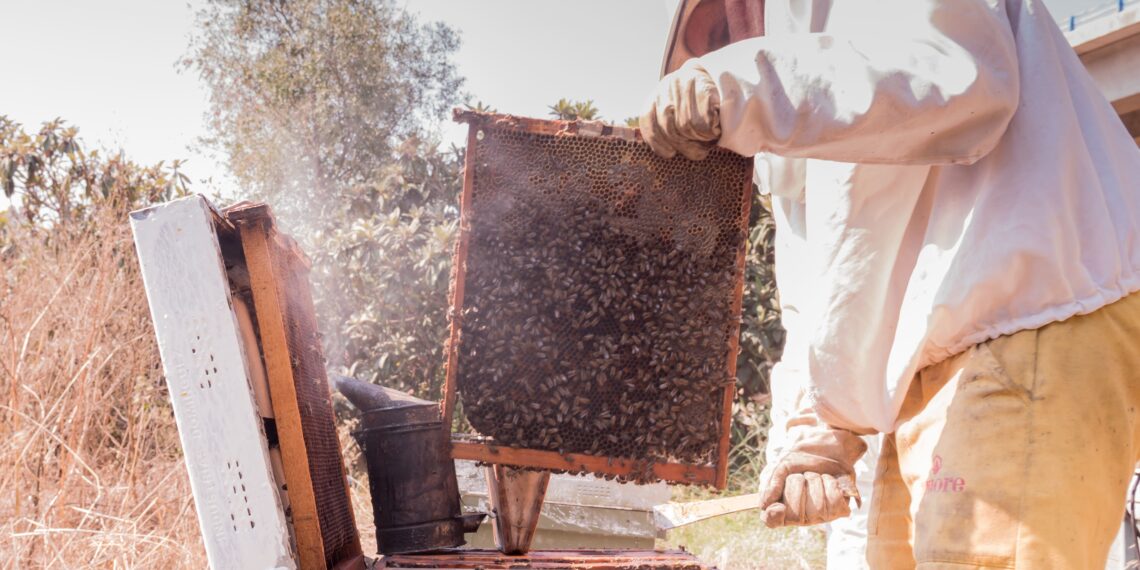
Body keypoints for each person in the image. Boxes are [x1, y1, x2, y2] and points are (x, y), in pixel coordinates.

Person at [643, 0, 1140, 567]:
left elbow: (959, 75)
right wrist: (813, 431)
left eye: (720, 34)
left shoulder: (776, 82)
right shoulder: (798, 114)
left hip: (1037, 307)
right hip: (929, 363)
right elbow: (821, 285)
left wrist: (743, 87)